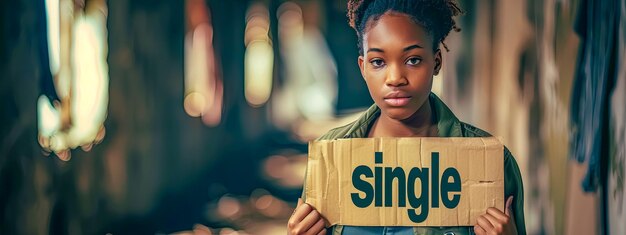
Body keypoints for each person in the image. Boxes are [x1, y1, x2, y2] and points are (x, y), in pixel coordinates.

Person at [287, 0, 526, 234]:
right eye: (378, 62)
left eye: (413, 60)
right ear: (363, 68)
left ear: (436, 62)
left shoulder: (489, 161)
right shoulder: (331, 156)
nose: (395, 78)